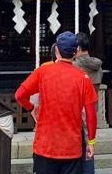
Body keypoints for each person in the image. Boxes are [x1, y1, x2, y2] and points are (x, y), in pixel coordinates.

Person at [15, 31, 98, 174]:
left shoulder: (42, 72)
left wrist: (32, 108)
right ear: (76, 51)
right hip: (72, 146)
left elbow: (19, 95)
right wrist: (91, 141)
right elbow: (91, 113)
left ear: (56, 50)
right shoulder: (83, 78)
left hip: (45, 145)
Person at [74, 32, 103, 174]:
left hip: (77, 109)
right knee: (89, 144)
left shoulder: (74, 67)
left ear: (78, 48)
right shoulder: (98, 66)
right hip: (92, 108)